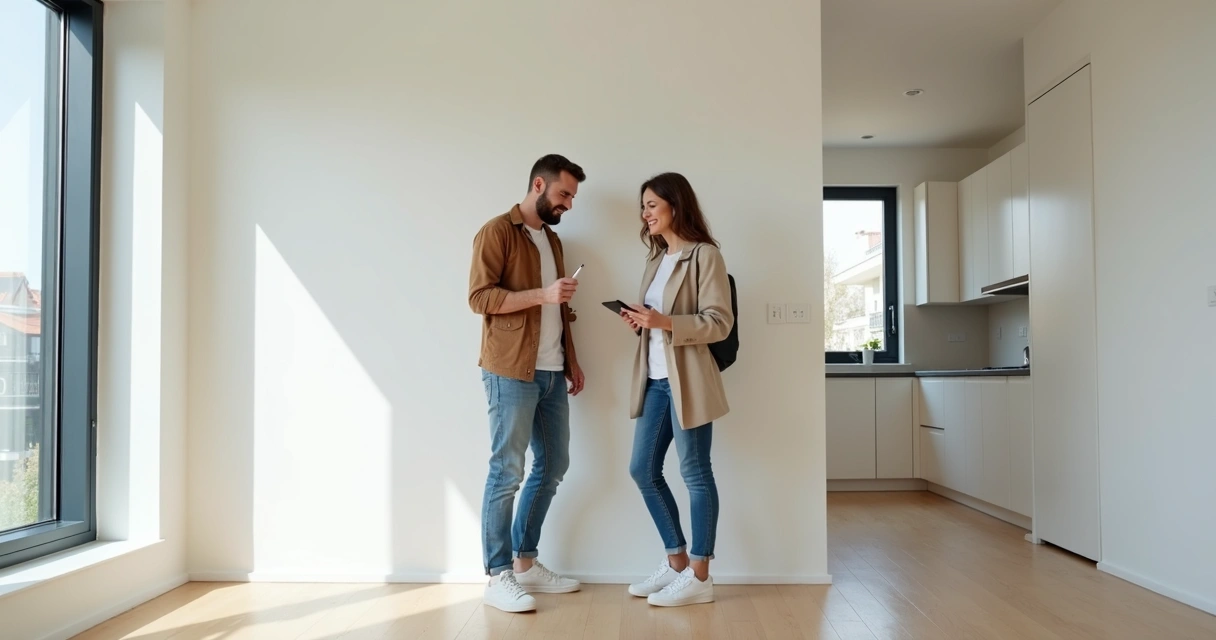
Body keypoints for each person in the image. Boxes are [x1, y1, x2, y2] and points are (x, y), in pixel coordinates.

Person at [468, 154, 588, 613]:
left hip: (552, 371)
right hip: (510, 370)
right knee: (507, 472)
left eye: (572, 197)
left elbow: (558, 309)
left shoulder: (552, 240)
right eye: (563, 194)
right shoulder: (497, 231)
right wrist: (542, 294)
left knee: (554, 465)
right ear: (539, 184)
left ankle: (524, 562)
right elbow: (480, 297)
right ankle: (498, 574)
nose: (568, 204)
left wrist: (571, 361)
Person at [618, 172, 732, 607]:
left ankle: (701, 575)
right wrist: (641, 322)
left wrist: (664, 321)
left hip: (689, 381)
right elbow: (658, 321)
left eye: (651, 205)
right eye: (643, 206)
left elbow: (719, 322)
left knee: (695, 472)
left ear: (675, 205)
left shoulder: (705, 255)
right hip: (654, 380)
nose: (645, 213)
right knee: (642, 470)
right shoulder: (656, 259)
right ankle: (677, 562)